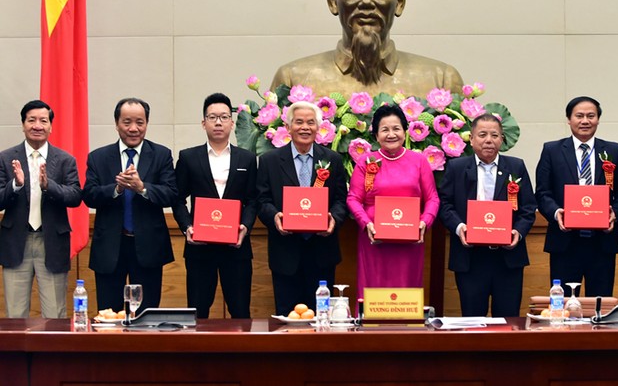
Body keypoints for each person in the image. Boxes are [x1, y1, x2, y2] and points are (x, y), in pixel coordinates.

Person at [271, 0, 464, 98]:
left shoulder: (441, 82)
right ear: (333, 0)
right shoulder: (293, 80)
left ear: (399, 1)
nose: (366, 2)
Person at [83, 98, 177, 313]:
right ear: (116, 124)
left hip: (148, 247)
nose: (133, 128)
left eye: (140, 122)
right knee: (108, 315)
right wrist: (116, 189)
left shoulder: (161, 155)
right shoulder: (98, 157)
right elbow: (88, 195)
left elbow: (171, 194)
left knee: (146, 315)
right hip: (109, 247)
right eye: (127, 122)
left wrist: (142, 188)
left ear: (147, 123)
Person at [438, 114, 536, 317]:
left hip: (507, 257)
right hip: (471, 258)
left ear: (502, 139)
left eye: (494, 135)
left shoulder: (516, 166)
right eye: (482, 135)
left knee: (508, 319)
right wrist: (459, 228)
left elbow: (528, 208)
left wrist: (518, 232)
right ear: (471, 139)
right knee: (473, 320)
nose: (488, 140)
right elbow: (445, 205)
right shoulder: (456, 168)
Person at [257, 101, 348, 316]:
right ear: (288, 127)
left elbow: (341, 201)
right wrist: (274, 217)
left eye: (311, 122)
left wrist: (333, 219)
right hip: (285, 252)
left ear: (318, 128)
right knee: (286, 316)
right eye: (298, 122)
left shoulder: (333, 160)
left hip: (322, 252)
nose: (305, 127)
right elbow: (261, 200)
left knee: (321, 317)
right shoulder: (269, 161)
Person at [172, 93, 258, 318]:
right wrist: (187, 227)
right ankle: (197, 354)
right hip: (200, 248)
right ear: (203, 123)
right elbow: (177, 198)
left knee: (240, 311)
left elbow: (252, 200)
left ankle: (240, 354)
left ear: (232, 122)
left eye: (223, 117)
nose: (218, 122)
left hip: (236, 248)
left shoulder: (247, 158)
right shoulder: (189, 157)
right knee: (198, 312)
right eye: (212, 117)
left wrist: (245, 227)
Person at [535, 96, 618, 297]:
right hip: (565, 242)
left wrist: (616, 214)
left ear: (598, 119)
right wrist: (555, 212)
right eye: (579, 116)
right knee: (564, 306)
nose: (585, 121)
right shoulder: (552, 150)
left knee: (600, 304)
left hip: (602, 242)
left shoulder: (613, 150)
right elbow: (543, 193)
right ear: (569, 119)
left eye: (591, 116)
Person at [347, 105, 440, 299]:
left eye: (396, 128)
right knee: (374, 292)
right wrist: (366, 223)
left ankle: (406, 328)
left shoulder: (419, 161)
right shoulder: (365, 161)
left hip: (410, 240)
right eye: (385, 129)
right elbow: (354, 199)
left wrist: (425, 222)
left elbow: (432, 198)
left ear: (405, 131)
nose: (391, 134)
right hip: (375, 239)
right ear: (376, 135)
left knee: (406, 293)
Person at [0, 100, 82, 318]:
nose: (37, 125)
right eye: (31, 120)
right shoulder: (6, 158)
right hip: (17, 241)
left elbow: (75, 197)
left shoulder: (65, 160)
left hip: (52, 242)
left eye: (43, 121)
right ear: (23, 124)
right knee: (15, 314)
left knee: (55, 313)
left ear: (51, 126)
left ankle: (55, 353)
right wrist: (15, 185)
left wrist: (49, 186)